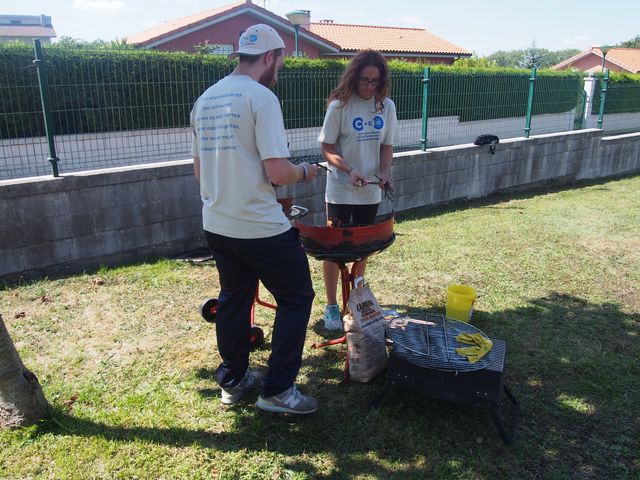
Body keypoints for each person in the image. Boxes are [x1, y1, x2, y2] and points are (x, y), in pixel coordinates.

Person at [191, 24, 320, 414]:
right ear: (269, 57)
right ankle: (277, 390)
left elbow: (201, 172)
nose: (279, 69)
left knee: (234, 298)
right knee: (297, 297)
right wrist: (306, 171)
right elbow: (278, 173)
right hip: (260, 227)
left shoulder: (205, 99)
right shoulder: (261, 98)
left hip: (218, 223)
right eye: (279, 61)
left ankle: (232, 380)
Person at [317, 50, 398, 331]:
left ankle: (355, 300)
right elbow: (327, 148)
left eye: (375, 81)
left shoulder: (385, 106)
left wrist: (385, 173)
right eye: (364, 80)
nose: (369, 86)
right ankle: (330, 306)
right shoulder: (340, 106)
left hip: (370, 191)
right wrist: (349, 170)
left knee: (363, 249)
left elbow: (386, 146)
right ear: (354, 77)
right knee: (332, 250)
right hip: (341, 189)